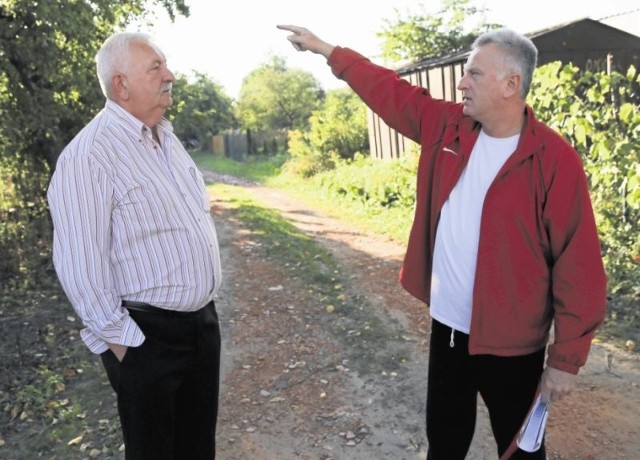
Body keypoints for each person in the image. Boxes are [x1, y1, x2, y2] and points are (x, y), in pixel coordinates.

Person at [277, 24, 607, 459]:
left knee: (522, 451)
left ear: (512, 84)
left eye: (474, 74)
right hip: (449, 331)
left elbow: (577, 264)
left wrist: (565, 359)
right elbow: (389, 91)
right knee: (445, 444)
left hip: (514, 347)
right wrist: (327, 51)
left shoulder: (553, 159)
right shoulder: (448, 126)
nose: (461, 82)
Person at [47, 31, 222, 460]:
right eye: (156, 68)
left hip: (202, 328)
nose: (171, 76)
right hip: (147, 338)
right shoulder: (89, 156)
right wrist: (127, 347)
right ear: (121, 85)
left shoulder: (166, 138)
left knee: (197, 449)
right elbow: (80, 264)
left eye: (166, 66)